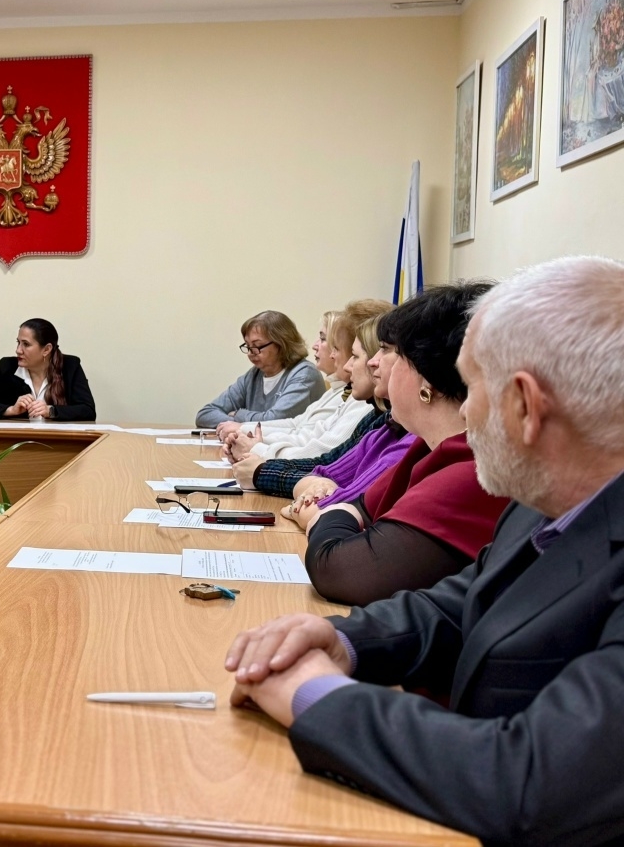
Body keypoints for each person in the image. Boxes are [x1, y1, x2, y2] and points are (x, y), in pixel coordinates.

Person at [224, 256, 624, 847]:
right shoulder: (544, 499)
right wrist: (342, 641)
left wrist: (314, 696)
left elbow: (530, 781)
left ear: (525, 405)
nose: (464, 413)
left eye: (473, 388)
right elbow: (462, 604)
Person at [293, 283, 510, 605]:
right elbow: (357, 507)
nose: (374, 363)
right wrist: (339, 512)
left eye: (388, 351)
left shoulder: (474, 468)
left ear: (427, 379)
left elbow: (337, 569)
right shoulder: (426, 449)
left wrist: (326, 516)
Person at [233, 313, 406, 500]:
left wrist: (260, 462)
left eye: (354, 356)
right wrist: (259, 463)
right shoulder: (380, 417)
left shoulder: (371, 411)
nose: (347, 365)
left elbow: (344, 490)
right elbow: (328, 464)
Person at [223, 301, 388, 462]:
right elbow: (303, 431)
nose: (317, 346)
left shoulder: (361, 402)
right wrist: (248, 436)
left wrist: (255, 446)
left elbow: (321, 455)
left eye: (335, 346)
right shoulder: (346, 393)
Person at [195, 310, 326, 429]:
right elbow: (205, 414)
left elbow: (275, 421)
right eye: (248, 346)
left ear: (281, 344)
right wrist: (236, 423)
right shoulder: (254, 375)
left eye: (257, 346)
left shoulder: (304, 374)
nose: (250, 353)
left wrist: (239, 415)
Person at [0, 318, 96, 421]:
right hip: (18, 440)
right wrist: (11, 410)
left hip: (58, 440)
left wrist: (51, 411)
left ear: (46, 349)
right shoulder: (7, 367)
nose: (18, 350)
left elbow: (88, 411)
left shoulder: (70, 366)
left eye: (26, 344)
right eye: (18, 342)